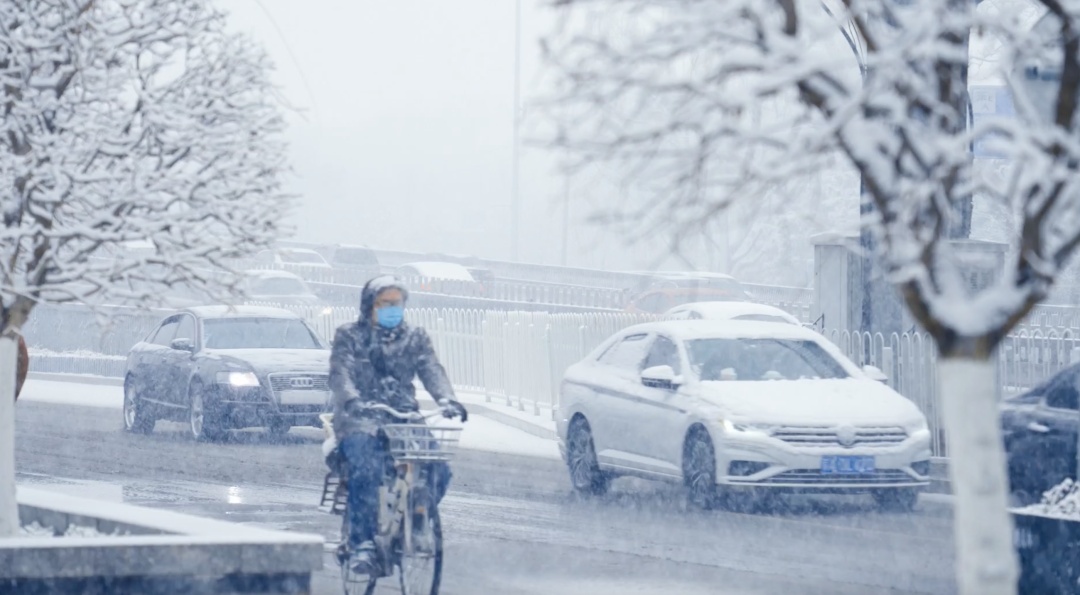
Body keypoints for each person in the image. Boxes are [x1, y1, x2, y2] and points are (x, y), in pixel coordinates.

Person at [328, 276, 466, 572]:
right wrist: (351, 400)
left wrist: (447, 399)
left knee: (438, 471)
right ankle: (362, 543)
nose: (393, 309)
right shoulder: (349, 336)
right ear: (369, 306)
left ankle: (415, 520)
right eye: (385, 303)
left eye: (397, 304)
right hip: (360, 418)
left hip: (404, 417)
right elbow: (340, 373)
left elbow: (431, 368)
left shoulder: (415, 337)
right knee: (367, 470)